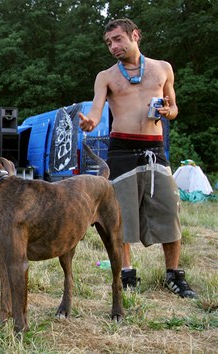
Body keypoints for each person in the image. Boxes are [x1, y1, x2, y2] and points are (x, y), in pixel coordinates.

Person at [78, 18, 197, 298]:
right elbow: (96, 110)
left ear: (135, 35)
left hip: (154, 148)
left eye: (118, 39)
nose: (113, 46)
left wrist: (169, 112)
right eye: (109, 42)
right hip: (121, 149)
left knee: (168, 209)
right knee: (122, 216)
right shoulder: (106, 76)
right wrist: (90, 123)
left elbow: (174, 106)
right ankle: (127, 274)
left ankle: (174, 275)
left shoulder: (163, 68)